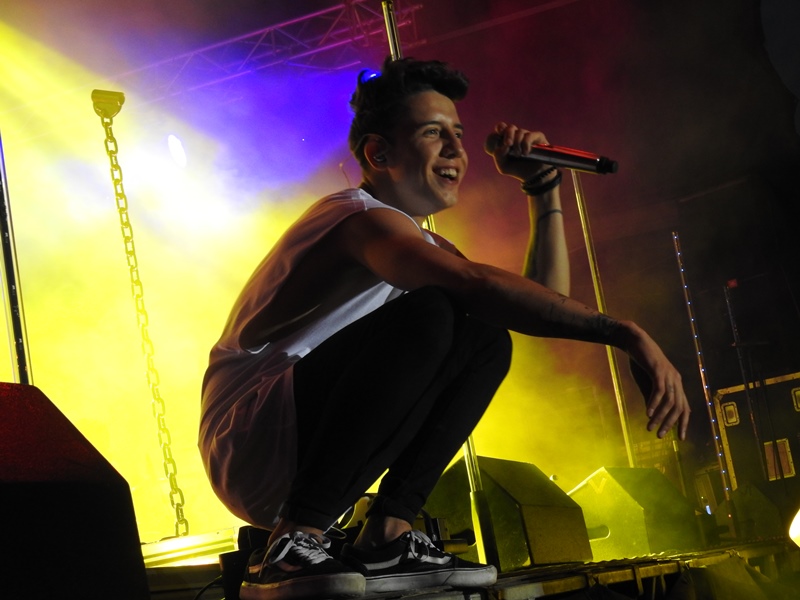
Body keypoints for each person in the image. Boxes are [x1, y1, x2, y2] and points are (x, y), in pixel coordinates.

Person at [199, 57, 690, 600]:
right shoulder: (355, 217)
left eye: (458, 133)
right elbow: (475, 284)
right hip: (249, 439)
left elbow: (536, 302)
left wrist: (542, 186)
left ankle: (387, 535)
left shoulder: (422, 244)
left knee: (484, 338)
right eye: (434, 133)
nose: (457, 149)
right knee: (441, 308)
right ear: (379, 154)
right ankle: (292, 543)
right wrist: (626, 333)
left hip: (303, 449)